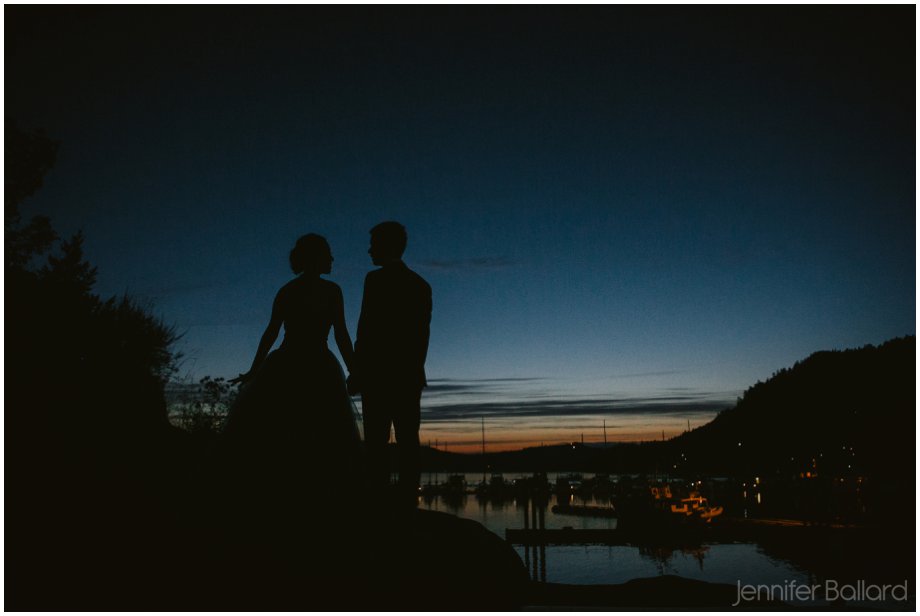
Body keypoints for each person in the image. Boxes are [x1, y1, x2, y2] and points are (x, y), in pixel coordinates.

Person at [220, 234, 362, 515]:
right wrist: (355, 369)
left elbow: (271, 333)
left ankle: (284, 495)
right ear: (317, 257)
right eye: (328, 254)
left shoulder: (288, 290)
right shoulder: (331, 291)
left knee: (283, 427)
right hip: (316, 366)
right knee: (313, 429)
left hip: (286, 363)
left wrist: (255, 369)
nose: (333, 259)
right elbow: (340, 335)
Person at [353, 221, 432, 508]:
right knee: (408, 440)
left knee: (376, 441)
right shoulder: (420, 285)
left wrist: (358, 369)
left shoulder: (374, 281)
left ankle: (378, 500)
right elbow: (421, 337)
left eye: (373, 244)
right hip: (408, 375)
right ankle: (408, 501)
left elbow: (366, 329)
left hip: (378, 375)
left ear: (385, 246)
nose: (369, 250)